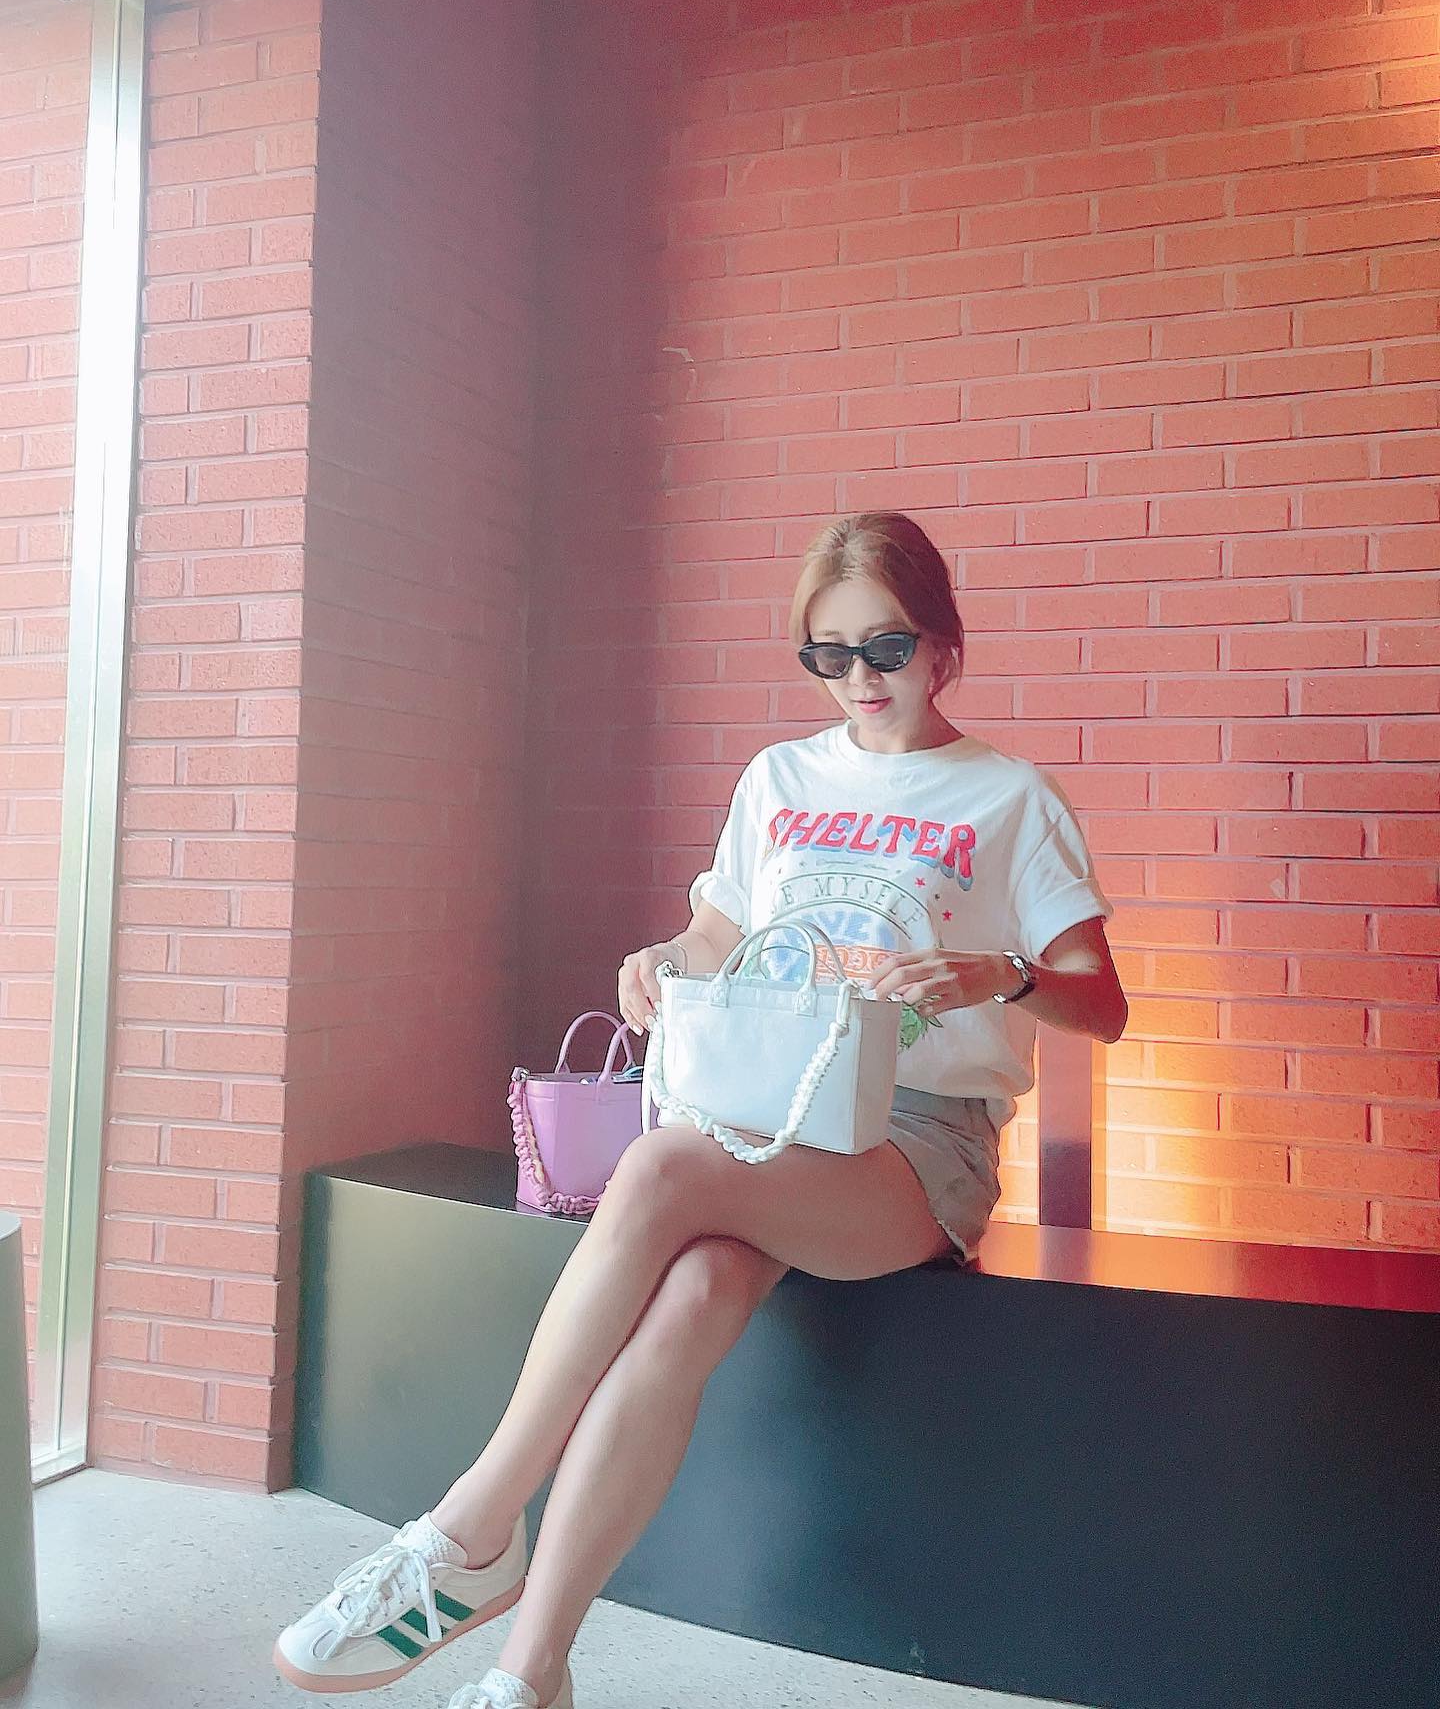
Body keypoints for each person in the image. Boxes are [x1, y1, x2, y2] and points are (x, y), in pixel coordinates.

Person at [273, 510, 1128, 1709]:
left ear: (944, 648)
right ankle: (532, 1673)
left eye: (885, 648)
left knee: (664, 1168)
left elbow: (1104, 1007)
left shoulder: (1010, 798)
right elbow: (715, 936)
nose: (859, 679)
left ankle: (470, 1526)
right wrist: (658, 960)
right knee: (696, 1292)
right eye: (828, 655)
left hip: (916, 1145)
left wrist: (1005, 974)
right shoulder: (779, 780)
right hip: (772, 1109)